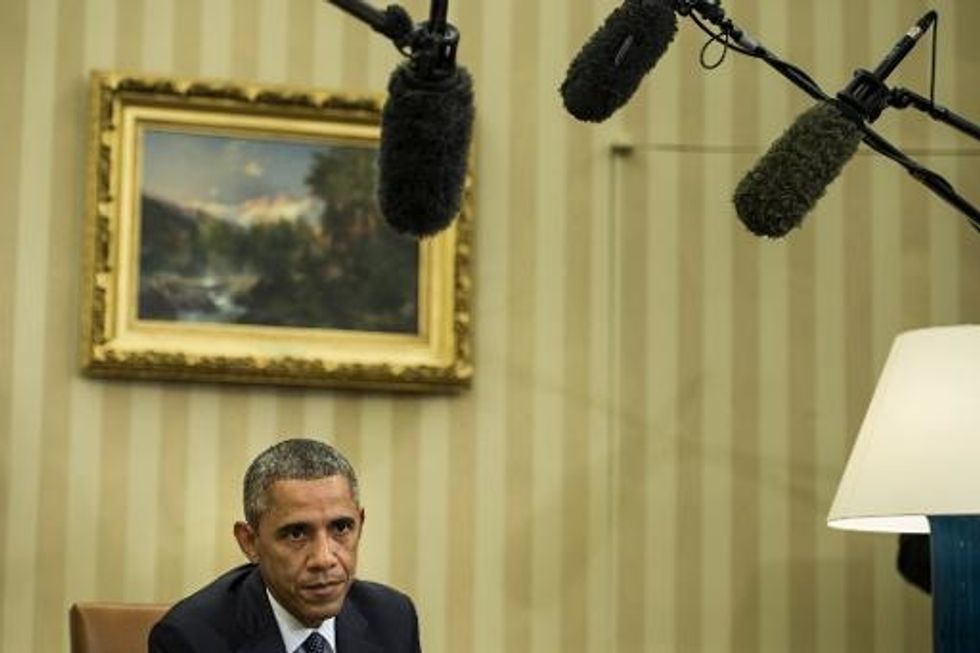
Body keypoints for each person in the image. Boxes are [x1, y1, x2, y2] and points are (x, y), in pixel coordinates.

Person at [149, 438, 421, 653]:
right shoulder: (190, 639)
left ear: (360, 524)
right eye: (296, 534)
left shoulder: (392, 618)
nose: (324, 559)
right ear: (250, 542)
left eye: (341, 528)